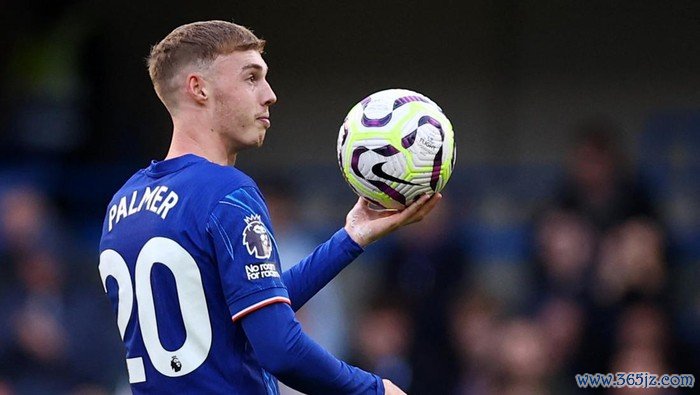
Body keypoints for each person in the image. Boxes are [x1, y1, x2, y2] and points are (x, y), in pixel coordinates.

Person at [98, 20, 441, 394]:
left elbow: (249, 310)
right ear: (199, 88)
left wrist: (350, 238)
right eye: (251, 77)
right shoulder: (227, 192)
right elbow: (279, 349)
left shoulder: (124, 203)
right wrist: (373, 389)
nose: (270, 94)